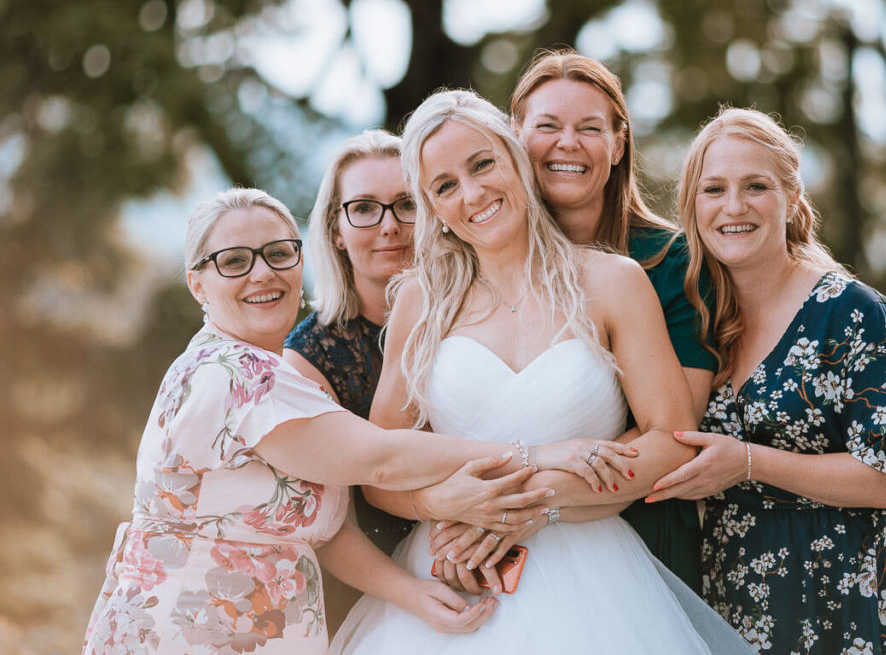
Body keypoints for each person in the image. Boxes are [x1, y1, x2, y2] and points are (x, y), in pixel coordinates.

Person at [82, 188, 630, 654]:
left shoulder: (261, 372)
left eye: (278, 253)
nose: (262, 273)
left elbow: (322, 525)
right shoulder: (235, 375)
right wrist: (537, 454)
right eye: (234, 261)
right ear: (197, 283)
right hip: (192, 633)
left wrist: (411, 595)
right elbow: (383, 459)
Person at [331, 90, 753, 653]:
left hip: (597, 584)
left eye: (483, 165)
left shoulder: (612, 282)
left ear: (516, 161)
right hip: (454, 576)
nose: (473, 193)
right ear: (433, 207)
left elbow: (672, 443)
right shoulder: (419, 301)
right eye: (445, 186)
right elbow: (380, 469)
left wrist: (531, 503)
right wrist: (437, 505)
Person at [646, 107, 886, 652]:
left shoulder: (856, 314)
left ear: (792, 199)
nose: (734, 206)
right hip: (730, 593)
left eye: (756, 186)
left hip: (847, 593)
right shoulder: (693, 320)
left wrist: (748, 463)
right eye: (714, 189)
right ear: (692, 207)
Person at [500, 47, 715, 588]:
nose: (567, 143)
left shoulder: (674, 265)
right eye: (547, 125)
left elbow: (672, 430)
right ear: (514, 137)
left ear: (618, 144)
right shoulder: (483, 264)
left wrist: (513, 503)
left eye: (590, 128)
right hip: (489, 544)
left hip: (637, 530)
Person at [283, 130, 418, 629]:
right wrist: (418, 594)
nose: (390, 226)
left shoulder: (481, 314)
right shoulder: (308, 358)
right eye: (364, 208)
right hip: (379, 590)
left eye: (407, 203)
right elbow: (332, 528)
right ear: (337, 228)